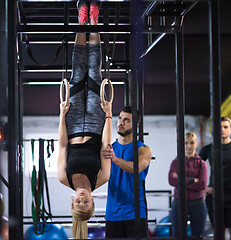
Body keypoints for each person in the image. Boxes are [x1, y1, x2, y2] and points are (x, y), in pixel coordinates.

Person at [57, 1, 112, 239]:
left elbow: (62, 145)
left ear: (72, 202)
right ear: (92, 202)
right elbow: (105, 146)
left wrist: (61, 114)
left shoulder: (63, 177)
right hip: (96, 123)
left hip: (72, 121)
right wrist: (109, 112)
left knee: (78, 71)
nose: (81, 197)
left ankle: (82, 21)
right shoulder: (102, 177)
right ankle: (95, 21)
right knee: (94, 70)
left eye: (77, 202)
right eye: (85, 202)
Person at [101, 106, 152, 238]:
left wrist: (114, 158)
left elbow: (137, 168)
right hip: (112, 214)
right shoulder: (110, 148)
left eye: (126, 120)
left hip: (135, 214)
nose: (121, 123)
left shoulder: (143, 149)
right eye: (120, 118)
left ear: (136, 125)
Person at [168, 132, 208, 238]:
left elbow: (202, 184)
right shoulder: (176, 162)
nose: (189, 146)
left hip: (197, 204)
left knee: (197, 236)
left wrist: (180, 181)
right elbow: (171, 181)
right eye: (185, 143)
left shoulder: (201, 163)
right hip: (179, 203)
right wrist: (192, 180)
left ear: (196, 144)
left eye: (191, 142)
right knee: (178, 236)